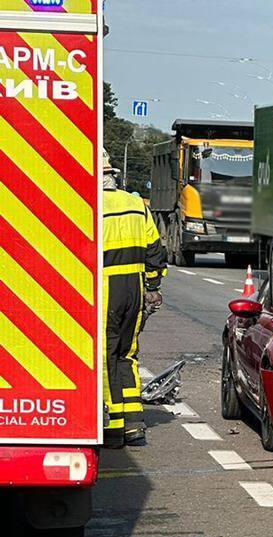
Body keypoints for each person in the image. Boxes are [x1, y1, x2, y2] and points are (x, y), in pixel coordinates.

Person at [102, 150, 167, 447]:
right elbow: (155, 250)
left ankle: (113, 427)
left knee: (105, 357)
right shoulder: (135, 204)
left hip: (105, 289)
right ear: (114, 176)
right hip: (135, 290)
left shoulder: (89, 205)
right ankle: (134, 425)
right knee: (127, 355)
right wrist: (153, 285)